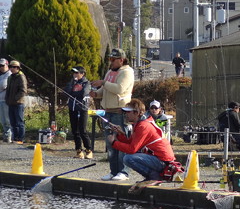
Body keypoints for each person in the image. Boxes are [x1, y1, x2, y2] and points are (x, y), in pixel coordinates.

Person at [90, 48, 134, 181]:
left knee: (122, 143)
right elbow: (105, 89)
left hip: (120, 112)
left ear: (121, 60)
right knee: (110, 144)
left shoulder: (127, 72)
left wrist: (103, 83)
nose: (111, 62)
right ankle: (113, 171)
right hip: (107, 112)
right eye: (110, 59)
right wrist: (96, 94)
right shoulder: (110, 72)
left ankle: (124, 172)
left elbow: (119, 88)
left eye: (113, 60)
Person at [107, 98, 175, 182]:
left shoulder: (143, 126)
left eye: (128, 112)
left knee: (128, 158)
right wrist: (120, 134)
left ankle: (154, 177)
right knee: (129, 157)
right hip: (161, 159)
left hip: (163, 161)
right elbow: (131, 142)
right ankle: (153, 176)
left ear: (137, 113)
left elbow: (132, 149)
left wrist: (114, 143)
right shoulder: (140, 123)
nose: (126, 114)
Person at [64, 66, 93, 159]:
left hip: (82, 108)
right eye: (74, 73)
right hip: (72, 108)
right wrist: (73, 85)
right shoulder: (71, 83)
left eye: (77, 73)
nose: (75, 75)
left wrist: (73, 93)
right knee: (74, 130)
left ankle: (88, 150)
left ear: (82, 74)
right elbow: (67, 91)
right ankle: (78, 151)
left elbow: (83, 93)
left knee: (82, 130)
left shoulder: (86, 83)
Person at [5, 60, 27, 145]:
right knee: (12, 122)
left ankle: (20, 139)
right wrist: (8, 99)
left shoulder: (21, 77)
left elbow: (23, 91)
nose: (11, 68)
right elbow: (8, 90)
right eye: (10, 67)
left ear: (18, 68)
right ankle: (15, 138)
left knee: (19, 122)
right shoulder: (10, 77)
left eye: (14, 67)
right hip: (10, 103)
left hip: (18, 103)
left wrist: (15, 98)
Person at [0, 58, 12, 143]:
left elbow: (4, 86)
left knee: (8, 120)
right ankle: (5, 135)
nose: (1, 67)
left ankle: (9, 136)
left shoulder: (9, 75)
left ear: (7, 65)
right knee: (2, 119)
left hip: (6, 100)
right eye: (0, 66)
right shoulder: (1, 76)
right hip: (0, 100)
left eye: (2, 65)